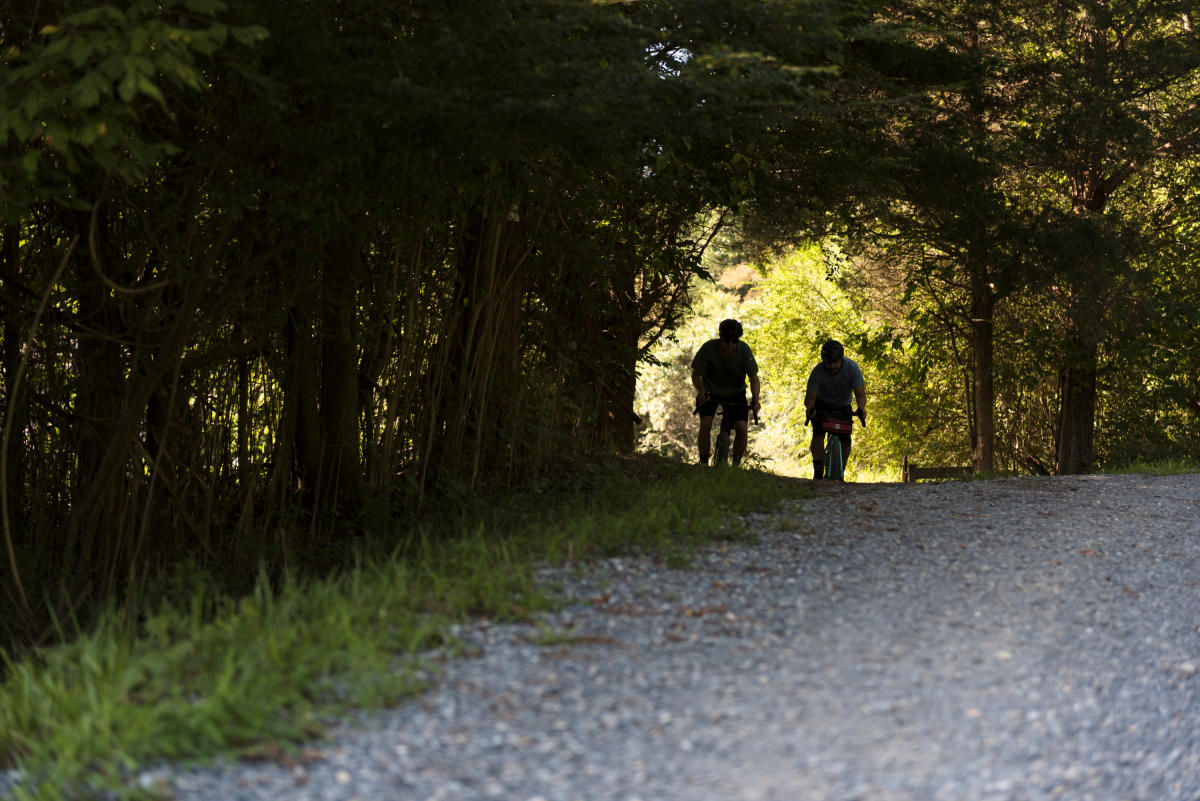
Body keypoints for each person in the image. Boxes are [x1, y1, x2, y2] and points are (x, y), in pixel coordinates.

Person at [691, 319, 761, 466]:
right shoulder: (708, 348)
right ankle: (703, 461)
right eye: (727, 340)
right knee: (706, 422)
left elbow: (754, 378)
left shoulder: (744, 349)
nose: (730, 344)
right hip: (710, 391)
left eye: (734, 340)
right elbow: (696, 375)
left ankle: (736, 465)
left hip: (736, 392)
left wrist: (755, 398)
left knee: (742, 427)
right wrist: (702, 390)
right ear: (720, 337)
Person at [805, 339, 866, 480]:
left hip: (843, 405)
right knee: (818, 434)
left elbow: (860, 393)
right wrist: (810, 408)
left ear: (841, 359)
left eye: (835, 362)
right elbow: (810, 396)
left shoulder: (852, 368)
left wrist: (861, 408)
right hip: (821, 404)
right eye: (828, 363)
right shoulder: (817, 371)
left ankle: (840, 470)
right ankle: (818, 472)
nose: (832, 366)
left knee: (846, 440)